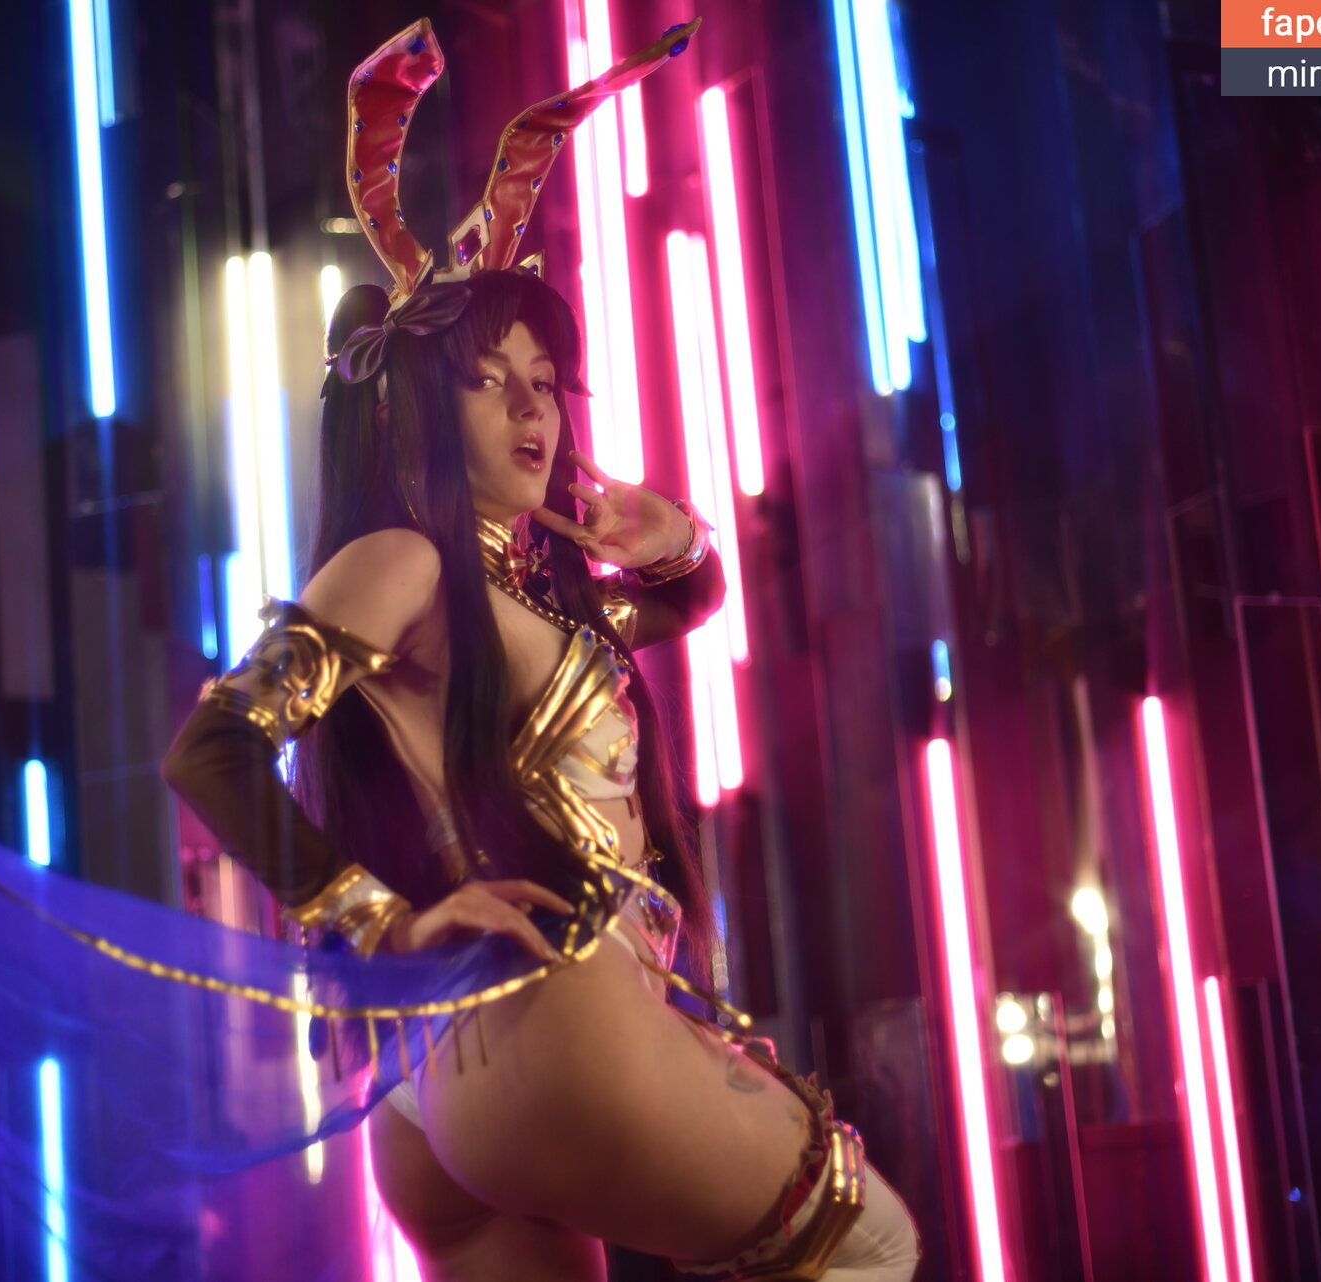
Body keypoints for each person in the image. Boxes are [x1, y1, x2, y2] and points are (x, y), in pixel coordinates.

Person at [162, 18, 920, 1280]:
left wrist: (674, 536)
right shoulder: (408, 563)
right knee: (872, 1247)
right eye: (486, 379)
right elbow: (210, 747)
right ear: (418, 408)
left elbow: (683, 605)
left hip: (465, 1073)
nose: (531, 405)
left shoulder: (526, 598)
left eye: (545, 378)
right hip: (547, 1019)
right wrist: (379, 919)